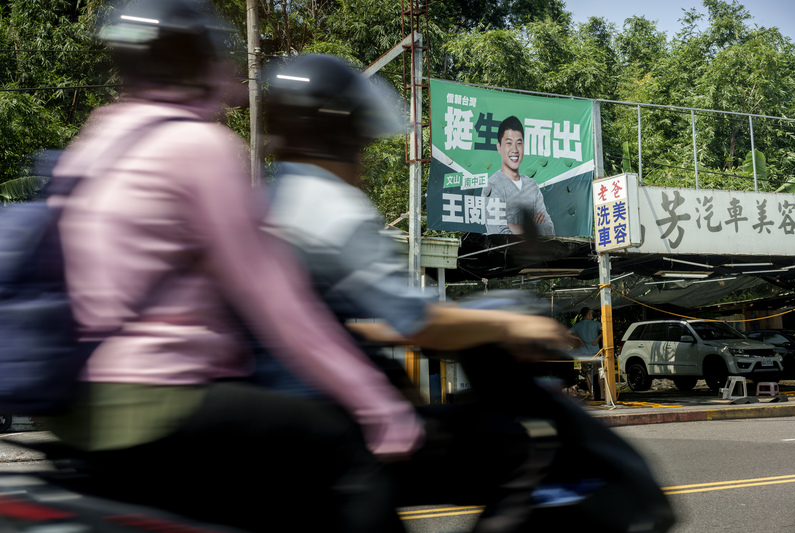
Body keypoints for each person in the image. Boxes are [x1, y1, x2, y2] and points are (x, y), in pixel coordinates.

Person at [47, 2, 421, 532]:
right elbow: (275, 301)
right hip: (158, 399)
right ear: (199, 62)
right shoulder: (200, 147)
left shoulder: (95, 141)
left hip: (74, 405)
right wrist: (378, 405)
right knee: (345, 446)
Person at [260, 54, 579, 519]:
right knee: (508, 445)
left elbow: (312, 325)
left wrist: (385, 332)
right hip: (324, 429)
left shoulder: (275, 199)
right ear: (338, 135)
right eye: (360, 142)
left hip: (288, 418)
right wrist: (515, 325)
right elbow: (423, 320)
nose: (363, 158)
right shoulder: (329, 209)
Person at [481, 116, 555, 236]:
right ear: (499, 147)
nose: (515, 149)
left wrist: (512, 226)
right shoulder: (492, 186)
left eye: (519, 143)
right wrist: (533, 228)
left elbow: (549, 230)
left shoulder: (532, 185)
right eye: (509, 143)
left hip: (535, 254)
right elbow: (498, 233)